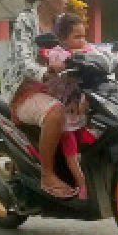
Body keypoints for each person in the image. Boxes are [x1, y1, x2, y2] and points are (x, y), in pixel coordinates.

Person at [0, 0, 76, 199]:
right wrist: (45, 73)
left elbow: (79, 46)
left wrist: (110, 59)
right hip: (25, 89)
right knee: (55, 113)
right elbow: (23, 60)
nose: (66, 0)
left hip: (55, 86)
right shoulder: (25, 20)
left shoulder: (61, 22)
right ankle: (47, 175)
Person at [40, 12, 92, 201]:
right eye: (76, 37)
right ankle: (82, 184)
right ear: (63, 39)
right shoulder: (58, 52)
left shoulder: (86, 50)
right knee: (70, 149)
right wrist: (61, 64)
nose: (82, 41)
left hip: (79, 110)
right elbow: (55, 60)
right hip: (63, 114)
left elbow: (99, 53)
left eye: (84, 36)